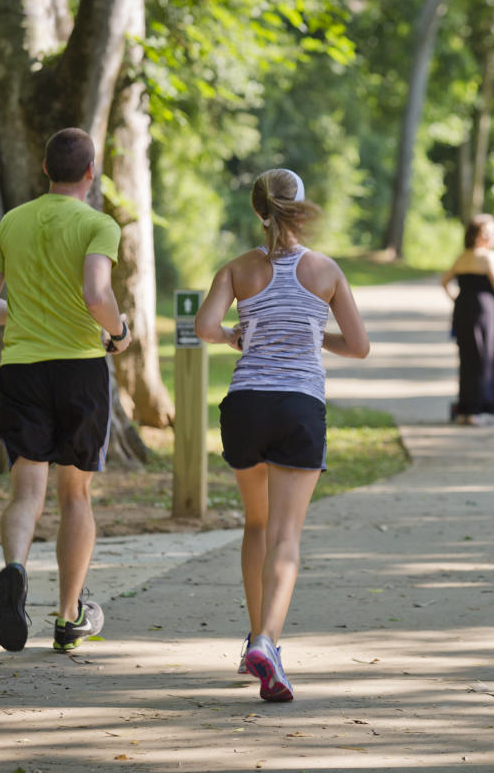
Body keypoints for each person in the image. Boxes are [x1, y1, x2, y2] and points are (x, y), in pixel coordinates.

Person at [195, 168, 369, 702]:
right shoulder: (325, 270)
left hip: (245, 405)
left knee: (256, 524)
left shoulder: (239, 268)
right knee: (286, 534)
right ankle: (269, 642)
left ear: (257, 210)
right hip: (298, 406)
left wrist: (233, 336)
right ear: (299, 206)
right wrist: (316, 337)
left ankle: (255, 636)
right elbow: (359, 346)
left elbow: (205, 328)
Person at [0, 127, 132, 653]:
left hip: (21, 367)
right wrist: (119, 332)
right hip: (79, 369)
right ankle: (67, 618)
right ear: (90, 173)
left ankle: (15, 568)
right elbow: (95, 293)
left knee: (26, 492)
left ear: (45, 170)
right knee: (75, 494)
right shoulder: (97, 224)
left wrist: (25, 314)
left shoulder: (11, 223)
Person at [440, 214, 494, 425]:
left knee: (467, 358)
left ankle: (466, 407)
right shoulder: (489, 257)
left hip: (462, 310)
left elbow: (445, 282)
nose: (492, 235)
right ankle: (478, 408)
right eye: (487, 231)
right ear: (477, 235)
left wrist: (458, 298)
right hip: (485, 311)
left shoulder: (462, 257)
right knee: (484, 358)